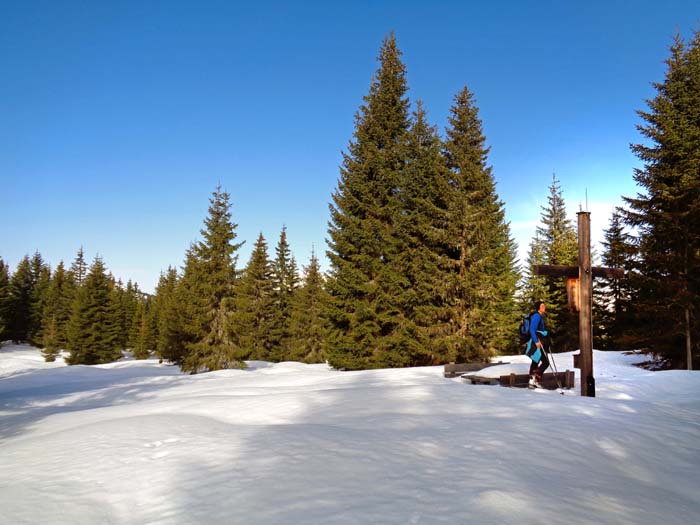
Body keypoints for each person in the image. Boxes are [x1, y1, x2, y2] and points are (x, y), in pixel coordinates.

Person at [525, 301, 550, 388]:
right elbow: (532, 329)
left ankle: (532, 381)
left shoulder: (539, 316)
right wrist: (536, 341)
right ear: (538, 307)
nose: (544, 307)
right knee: (545, 362)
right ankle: (534, 379)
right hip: (537, 342)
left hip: (538, 341)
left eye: (544, 305)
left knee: (535, 360)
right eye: (542, 306)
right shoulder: (537, 316)